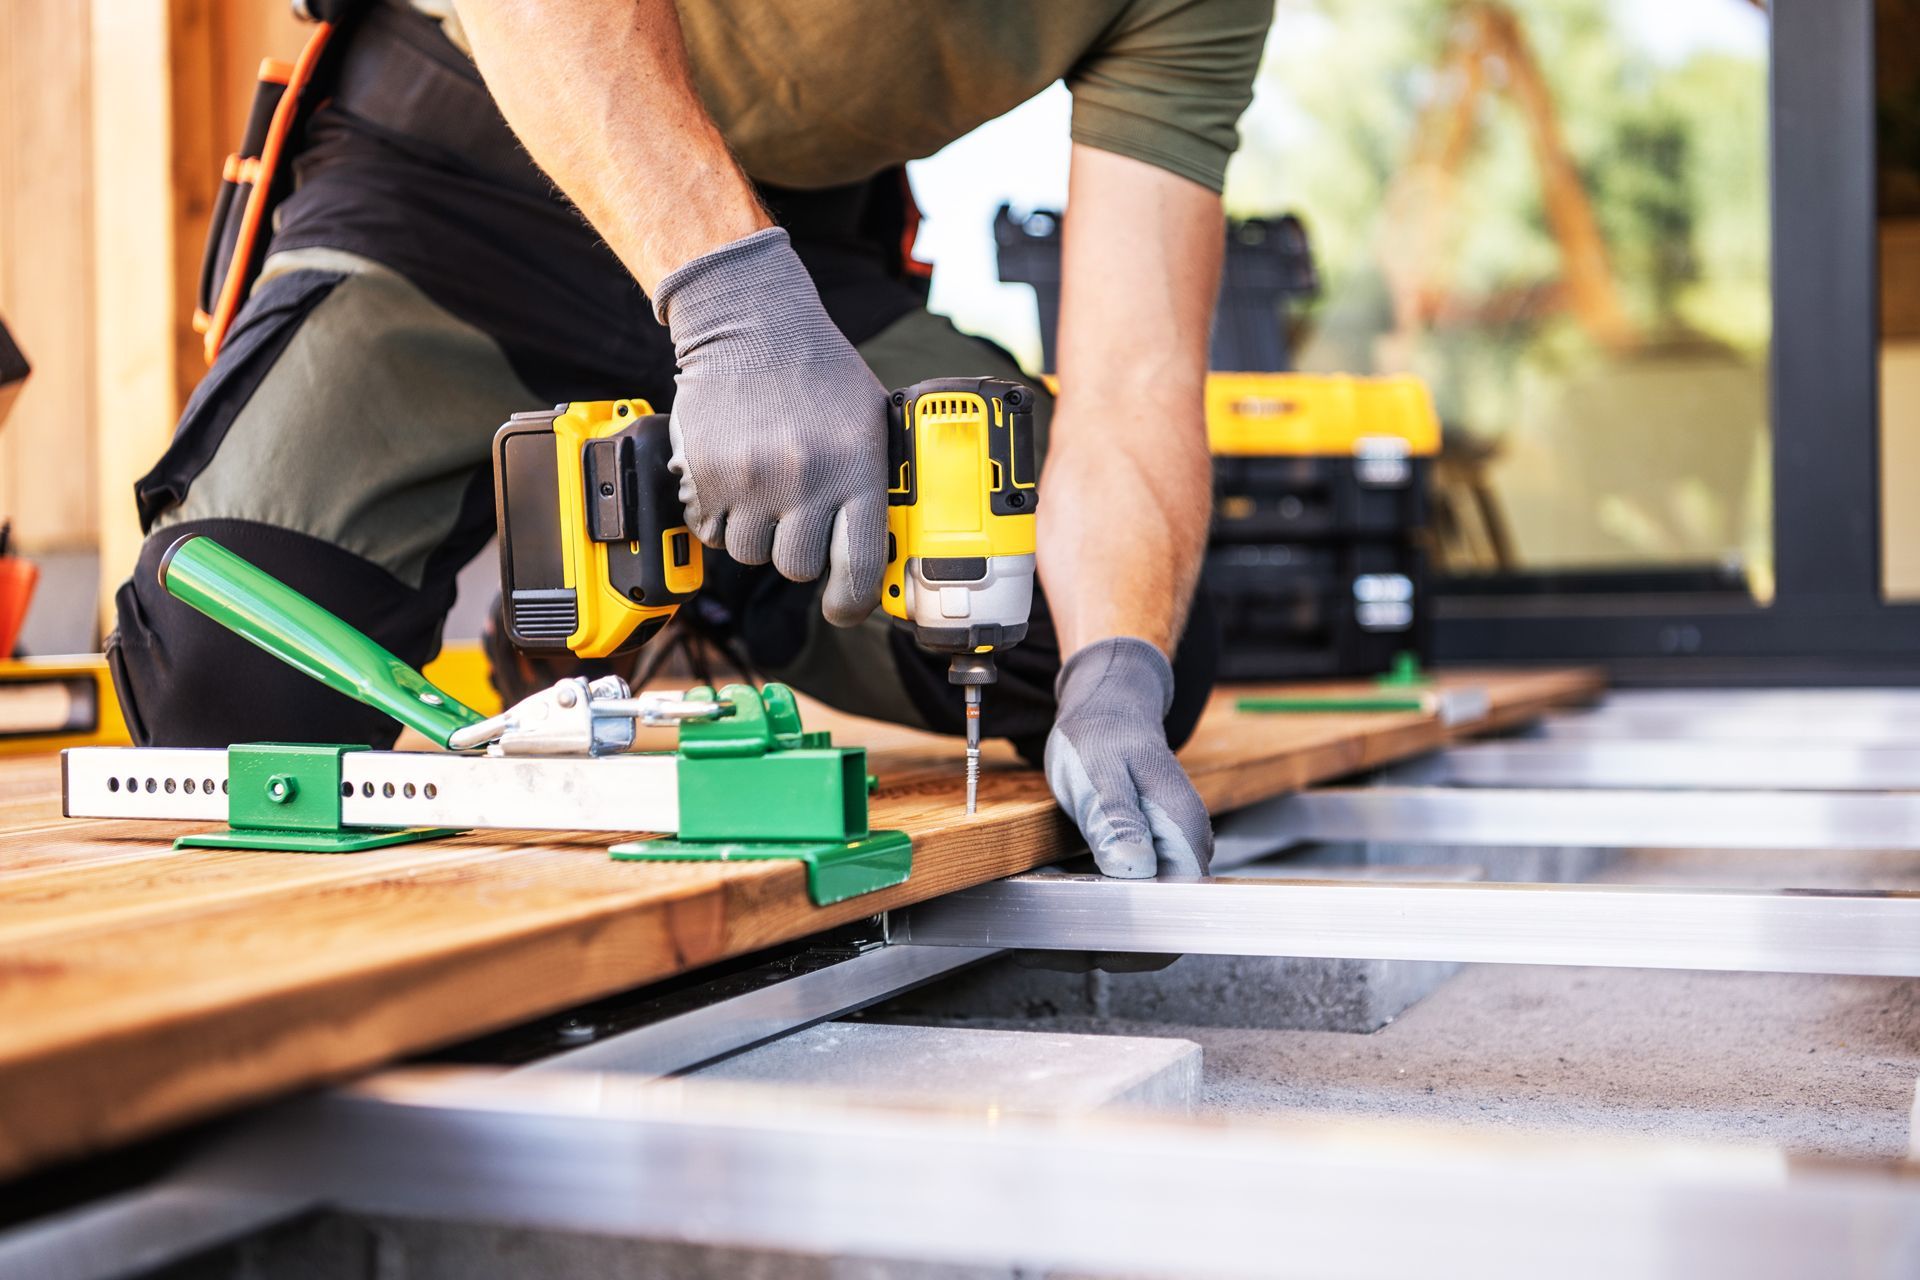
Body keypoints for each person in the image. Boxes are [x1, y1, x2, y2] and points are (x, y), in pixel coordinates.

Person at [108, 0, 1273, 878]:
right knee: (233, 700)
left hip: (800, 237)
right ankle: (645, 530)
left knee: (1091, 632)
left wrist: (1117, 667)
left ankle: (698, 564)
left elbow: (1137, 373)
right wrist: (729, 304)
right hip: (462, 157)